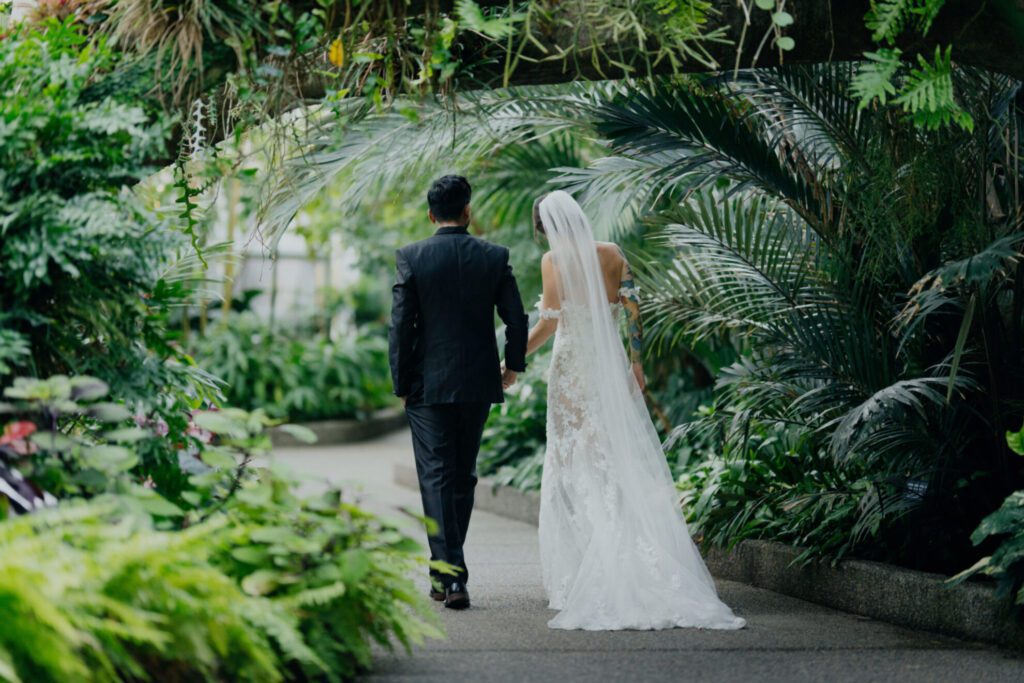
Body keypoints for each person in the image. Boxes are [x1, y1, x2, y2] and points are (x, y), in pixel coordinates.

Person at [523, 190, 746, 630]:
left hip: (571, 371)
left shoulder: (553, 262)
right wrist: (637, 363)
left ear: (547, 228)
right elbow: (632, 309)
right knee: (610, 460)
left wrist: (513, 360)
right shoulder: (612, 254)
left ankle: (586, 567)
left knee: (570, 463)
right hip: (609, 371)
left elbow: (550, 323)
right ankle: (618, 549)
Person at [389, 175, 529, 610]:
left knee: (435, 476)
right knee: (463, 474)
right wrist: (513, 367)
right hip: (476, 383)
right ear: (468, 211)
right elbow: (517, 318)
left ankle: (450, 577)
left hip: (427, 386)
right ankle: (448, 574)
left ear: (431, 215)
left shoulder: (412, 256)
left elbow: (400, 326)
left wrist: (400, 383)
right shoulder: (493, 256)